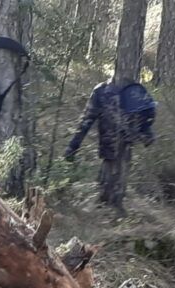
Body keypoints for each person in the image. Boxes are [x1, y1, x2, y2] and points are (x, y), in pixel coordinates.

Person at [65, 77, 155, 211]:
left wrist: (146, 135)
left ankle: (113, 209)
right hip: (109, 148)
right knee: (106, 183)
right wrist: (73, 146)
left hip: (126, 149)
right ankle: (104, 208)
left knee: (118, 183)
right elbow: (86, 120)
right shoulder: (101, 91)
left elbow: (146, 116)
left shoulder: (136, 90)